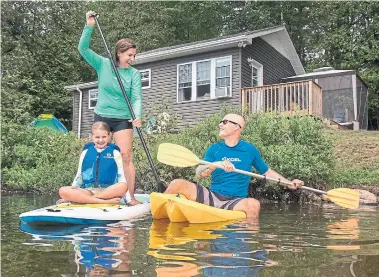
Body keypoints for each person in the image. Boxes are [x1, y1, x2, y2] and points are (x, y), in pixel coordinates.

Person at [164, 113, 304, 222]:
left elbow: (266, 172)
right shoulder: (214, 149)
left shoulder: (249, 150)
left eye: (224, 122)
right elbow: (199, 174)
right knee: (177, 184)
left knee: (254, 204)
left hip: (235, 201)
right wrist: (215, 165)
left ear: (236, 127)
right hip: (212, 196)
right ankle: (155, 212)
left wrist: (290, 184)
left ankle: (249, 246)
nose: (220, 125)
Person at [78, 11, 142, 205]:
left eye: (134, 55)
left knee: (125, 155)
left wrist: (136, 116)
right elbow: (83, 49)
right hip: (102, 116)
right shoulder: (103, 64)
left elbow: (136, 97)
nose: (133, 58)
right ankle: (91, 192)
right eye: (129, 55)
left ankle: (129, 197)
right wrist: (89, 26)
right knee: (96, 152)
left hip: (123, 118)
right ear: (119, 53)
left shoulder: (134, 74)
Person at [57, 122, 128, 204]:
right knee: (63, 191)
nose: (101, 140)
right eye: (97, 137)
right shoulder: (86, 152)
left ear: (109, 136)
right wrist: (69, 195)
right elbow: (79, 175)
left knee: (123, 186)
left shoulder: (115, 153)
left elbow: (121, 176)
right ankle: (101, 201)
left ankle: (86, 200)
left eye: (104, 137)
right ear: (92, 137)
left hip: (108, 191)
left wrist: (128, 199)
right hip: (89, 191)